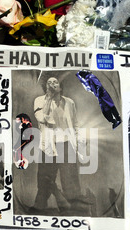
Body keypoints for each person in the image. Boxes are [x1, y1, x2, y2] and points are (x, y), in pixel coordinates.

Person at [32, 74, 89, 212]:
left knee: (70, 181)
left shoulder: (69, 102)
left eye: (55, 82)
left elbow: (75, 124)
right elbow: (41, 118)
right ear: (46, 87)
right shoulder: (39, 100)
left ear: (60, 86)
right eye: (49, 82)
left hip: (66, 145)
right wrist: (49, 98)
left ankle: (73, 210)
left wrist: (80, 140)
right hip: (48, 146)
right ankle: (39, 209)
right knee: (45, 180)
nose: (52, 84)